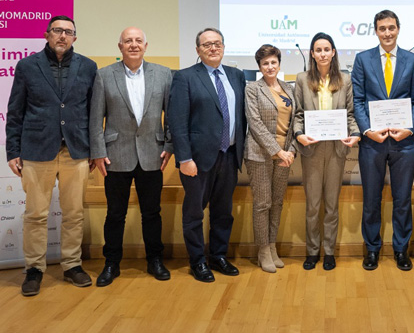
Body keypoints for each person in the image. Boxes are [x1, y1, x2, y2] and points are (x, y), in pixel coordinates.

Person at [6, 15, 97, 296]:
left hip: (76, 151)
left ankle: (71, 265)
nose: (62, 36)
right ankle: (34, 269)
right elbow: (15, 111)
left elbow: (94, 113)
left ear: (75, 38)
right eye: (57, 31)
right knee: (36, 215)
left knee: (73, 214)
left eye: (68, 32)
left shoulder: (88, 67)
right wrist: (13, 151)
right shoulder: (27, 66)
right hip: (36, 151)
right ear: (47, 34)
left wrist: (95, 149)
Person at [89, 27, 173, 286]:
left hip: (152, 153)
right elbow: (95, 119)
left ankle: (155, 260)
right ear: (120, 46)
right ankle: (111, 263)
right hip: (116, 155)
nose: (134, 45)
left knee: (152, 212)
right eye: (128, 41)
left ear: (146, 46)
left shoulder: (163, 74)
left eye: (138, 41)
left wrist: (169, 145)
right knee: (115, 213)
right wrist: (99, 152)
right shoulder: (103, 75)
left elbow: (172, 114)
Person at [168, 28, 246, 283]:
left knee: (223, 212)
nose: (213, 48)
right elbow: (177, 122)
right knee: (194, 213)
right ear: (198, 50)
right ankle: (198, 261)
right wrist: (184, 159)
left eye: (217, 43)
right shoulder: (185, 77)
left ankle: (219, 256)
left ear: (223, 46)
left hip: (229, 155)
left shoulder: (236, 76)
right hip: (197, 160)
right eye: (207, 45)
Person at [351, 9, 414, 271]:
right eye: (382, 28)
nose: (387, 33)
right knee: (371, 199)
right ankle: (372, 249)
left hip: (404, 143)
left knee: (402, 199)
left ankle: (400, 249)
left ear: (398, 29)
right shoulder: (362, 59)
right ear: (375, 31)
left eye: (391, 28)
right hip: (372, 142)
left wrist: (410, 127)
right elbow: (358, 100)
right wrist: (367, 130)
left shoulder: (412, 60)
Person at [294, 33, 361, 271]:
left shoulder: (345, 79)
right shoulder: (302, 79)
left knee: (331, 204)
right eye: (318, 50)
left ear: (333, 52)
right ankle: (312, 251)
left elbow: (350, 114)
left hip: (336, 149)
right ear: (312, 54)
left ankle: (329, 251)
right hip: (311, 148)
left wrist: (355, 134)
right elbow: (298, 114)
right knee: (313, 204)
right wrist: (298, 134)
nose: (322, 53)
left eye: (326, 49)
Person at [244, 44, 296, 273]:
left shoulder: (289, 88)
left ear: (279, 63)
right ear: (259, 66)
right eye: (265, 63)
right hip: (260, 154)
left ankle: (273, 246)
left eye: (273, 62)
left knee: (277, 203)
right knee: (263, 204)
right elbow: (254, 123)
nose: (270, 66)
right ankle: (263, 250)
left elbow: (296, 122)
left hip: (286, 154)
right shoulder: (252, 89)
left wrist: (291, 149)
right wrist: (277, 150)